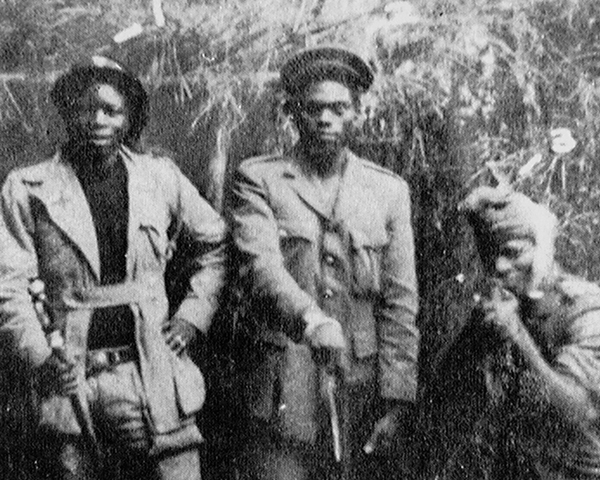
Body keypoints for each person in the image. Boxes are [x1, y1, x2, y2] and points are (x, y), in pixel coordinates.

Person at [0, 56, 227, 479]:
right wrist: (39, 354)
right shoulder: (28, 188)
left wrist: (192, 317)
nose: (98, 120)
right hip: (70, 383)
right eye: (86, 109)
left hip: (153, 376)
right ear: (68, 112)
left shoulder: (160, 179)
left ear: (128, 118)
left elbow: (214, 244)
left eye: (112, 110)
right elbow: (7, 283)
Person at [230, 46, 420, 480]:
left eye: (339, 108)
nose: (326, 119)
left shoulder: (387, 191)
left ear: (356, 112)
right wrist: (311, 319)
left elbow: (400, 302)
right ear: (293, 113)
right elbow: (262, 269)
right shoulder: (259, 179)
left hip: (361, 389)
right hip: (284, 388)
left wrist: (396, 399)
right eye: (314, 108)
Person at [426, 186, 600, 480]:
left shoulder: (586, 312)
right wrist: (473, 344)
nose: (499, 266)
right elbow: (442, 394)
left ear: (542, 251)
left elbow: (580, 413)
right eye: (491, 254)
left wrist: (518, 336)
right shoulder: (507, 308)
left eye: (512, 252)